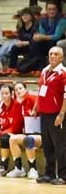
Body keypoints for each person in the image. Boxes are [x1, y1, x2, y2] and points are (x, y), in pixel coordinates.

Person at [33, 47, 66, 185]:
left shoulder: (63, 73)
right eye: (51, 54)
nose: (52, 56)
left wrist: (62, 114)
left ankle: (63, 175)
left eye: (56, 54)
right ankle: (49, 174)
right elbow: (41, 90)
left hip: (56, 114)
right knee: (47, 146)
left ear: (61, 58)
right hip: (44, 113)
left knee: (60, 145)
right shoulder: (45, 71)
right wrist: (36, 106)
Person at [0, 84, 24, 177]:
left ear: (11, 94)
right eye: (2, 94)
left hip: (16, 134)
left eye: (6, 93)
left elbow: (15, 128)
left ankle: (3, 167)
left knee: (4, 137)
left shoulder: (17, 106)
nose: (4, 96)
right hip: (2, 133)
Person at [6, 82, 41, 179]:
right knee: (12, 139)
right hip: (27, 133)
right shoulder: (17, 105)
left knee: (28, 139)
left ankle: (33, 169)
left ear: (26, 89)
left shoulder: (33, 99)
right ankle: (19, 169)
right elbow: (17, 124)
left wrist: (36, 111)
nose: (18, 91)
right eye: (16, 90)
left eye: (20, 88)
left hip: (40, 134)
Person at [29, 2, 66, 70]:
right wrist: (37, 37)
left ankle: (52, 66)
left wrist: (42, 37)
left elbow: (57, 36)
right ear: (46, 10)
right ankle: (38, 66)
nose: (51, 11)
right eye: (49, 9)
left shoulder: (62, 20)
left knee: (52, 43)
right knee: (36, 43)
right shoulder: (43, 20)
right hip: (47, 40)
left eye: (53, 9)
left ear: (57, 10)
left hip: (56, 40)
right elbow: (42, 33)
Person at [6, 8, 38, 72]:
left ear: (31, 16)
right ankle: (12, 67)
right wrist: (19, 42)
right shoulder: (20, 27)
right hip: (24, 45)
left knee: (33, 47)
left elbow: (36, 40)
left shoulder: (36, 26)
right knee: (14, 47)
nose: (24, 17)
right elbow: (20, 38)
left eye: (26, 15)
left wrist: (26, 43)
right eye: (23, 15)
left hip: (33, 46)